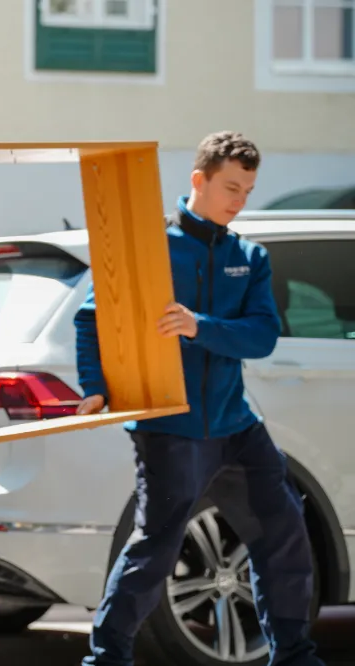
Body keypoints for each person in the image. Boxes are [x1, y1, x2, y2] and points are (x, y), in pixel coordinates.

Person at [74, 131, 324, 666]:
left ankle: (295, 655)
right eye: (230, 186)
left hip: (237, 427)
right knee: (156, 549)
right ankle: (106, 658)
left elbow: (260, 336)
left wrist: (197, 326)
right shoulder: (151, 247)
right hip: (171, 427)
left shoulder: (249, 257)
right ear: (198, 180)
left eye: (248, 190)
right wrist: (95, 387)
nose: (238, 200)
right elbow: (92, 318)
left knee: (284, 531)